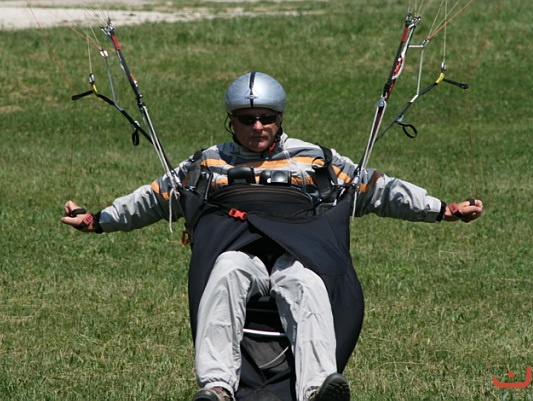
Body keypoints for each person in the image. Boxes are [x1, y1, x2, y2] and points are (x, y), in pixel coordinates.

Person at [61, 71, 483, 401]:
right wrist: (99, 219)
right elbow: (155, 197)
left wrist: (441, 209)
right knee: (226, 271)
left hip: (296, 255)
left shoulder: (315, 159)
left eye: (267, 118)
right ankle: (217, 387)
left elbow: (376, 188)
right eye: (247, 120)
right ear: (231, 120)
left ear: (280, 118)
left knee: (306, 282)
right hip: (235, 253)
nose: (258, 126)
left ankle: (317, 388)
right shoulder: (208, 163)